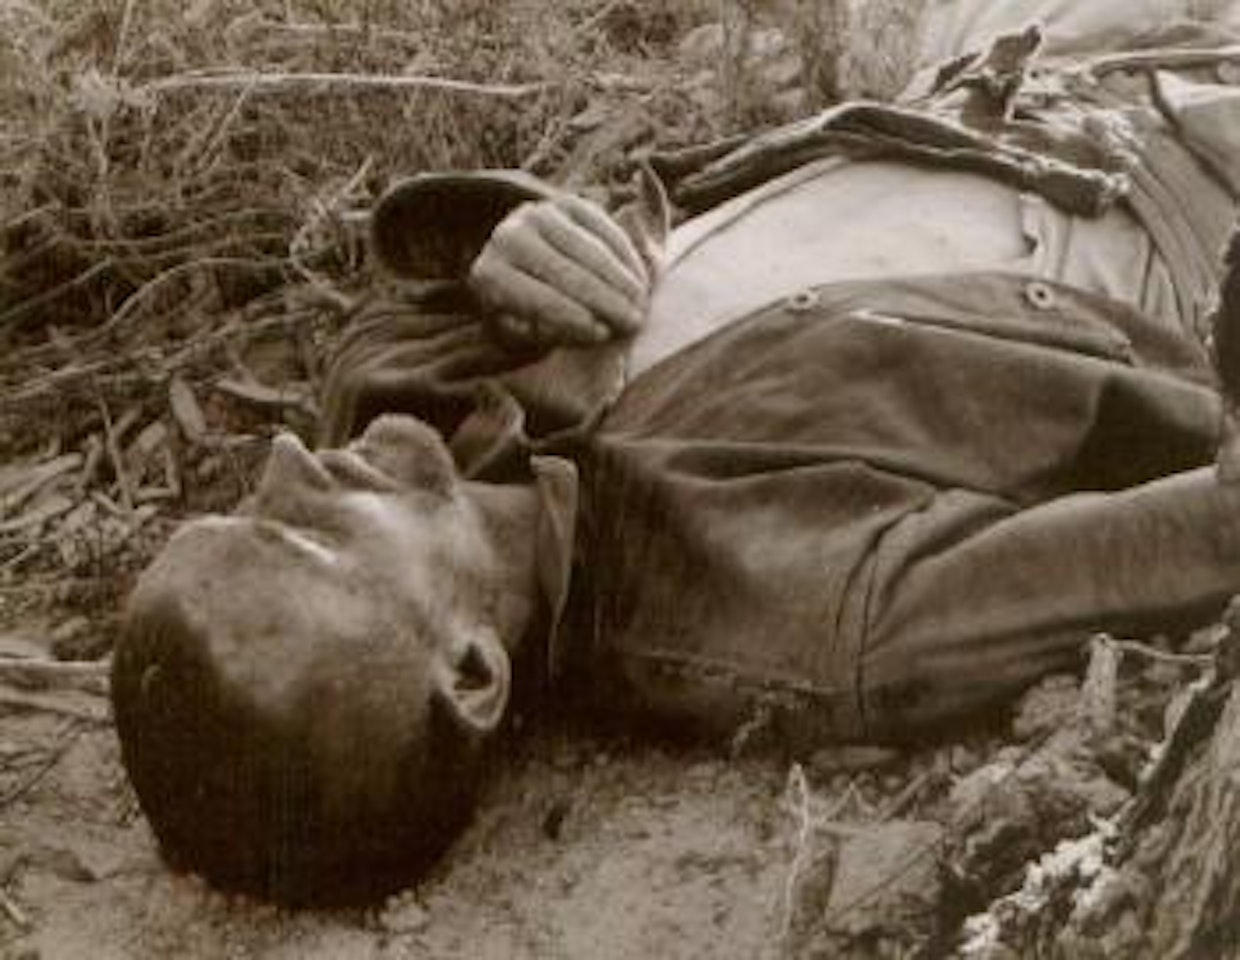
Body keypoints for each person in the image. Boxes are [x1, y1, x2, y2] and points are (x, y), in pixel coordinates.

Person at [111, 0, 1240, 905]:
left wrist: (503, 237)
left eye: (246, 502)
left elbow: (394, 298)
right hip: (1187, 168)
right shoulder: (790, 610)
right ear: (470, 672)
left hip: (993, 68)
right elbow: (1200, 529)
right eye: (303, 538)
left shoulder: (402, 420)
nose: (288, 463)